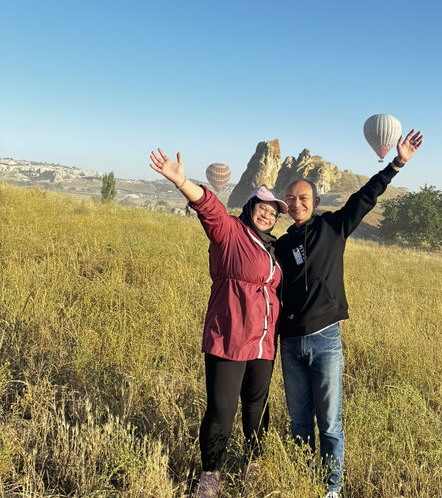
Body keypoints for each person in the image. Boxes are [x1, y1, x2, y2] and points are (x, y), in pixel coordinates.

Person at [275, 129, 423, 498]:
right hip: (290, 343)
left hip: (325, 339)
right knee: (297, 423)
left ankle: (332, 487)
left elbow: (366, 197)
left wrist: (398, 162)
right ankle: (302, 479)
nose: (296, 203)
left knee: (329, 422)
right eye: (290, 199)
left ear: (316, 200)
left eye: (303, 197)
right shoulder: (282, 244)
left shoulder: (333, 226)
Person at [149, 148, 287, 498]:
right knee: (222, 409)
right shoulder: (230, 233)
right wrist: (181, 181)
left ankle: (253, 461)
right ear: (250, 209)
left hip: (263, 343)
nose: (267, 215)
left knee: (257, 407)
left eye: (273, 212)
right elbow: (210, 209)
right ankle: (210, 473)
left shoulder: (274, 250)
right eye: (262, 208)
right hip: (229, 337)